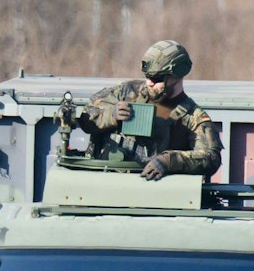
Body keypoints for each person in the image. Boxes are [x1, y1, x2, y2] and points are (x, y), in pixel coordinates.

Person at [74, 40, 224, 180]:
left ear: (177, 75)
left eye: (158, 78)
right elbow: (86, 119)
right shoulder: (127, 92)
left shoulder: (192, 116)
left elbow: (211, 157)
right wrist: (111, 115)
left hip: (151, 196)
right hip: (103, 183)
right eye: (147, 76)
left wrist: (168, 161)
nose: (149, 83)